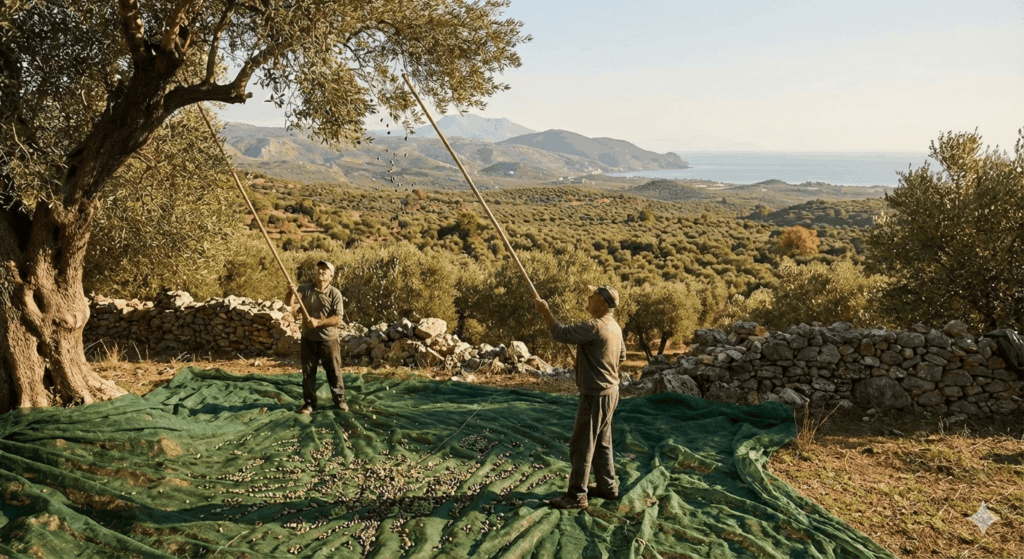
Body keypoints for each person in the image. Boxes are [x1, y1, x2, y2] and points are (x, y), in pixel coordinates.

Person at [533, 285, 625, 510]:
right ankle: (607, 486)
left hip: (595, 395)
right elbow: (621, 356)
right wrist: (592, 360)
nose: (588, 297)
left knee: (581, 445)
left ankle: (576, 496)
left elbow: (560, 333)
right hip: (611, 393)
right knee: (602, 443)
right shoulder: (614, 326)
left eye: (592, 296)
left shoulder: (594, 326)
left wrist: (545, 312)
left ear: (603, 303)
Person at [285, 260, 349, 413]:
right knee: (308, 374)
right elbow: (290, 304)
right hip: (308, 339)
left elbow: (338, 319)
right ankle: (309, 404)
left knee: (334, 372)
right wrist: (290, 292)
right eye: (319, 269)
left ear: (331, 276)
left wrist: (318, 322)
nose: (320, 272)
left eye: (324, 270)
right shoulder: (305, 289)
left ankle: (340, 401)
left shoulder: (335, 294)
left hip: (329, 340)